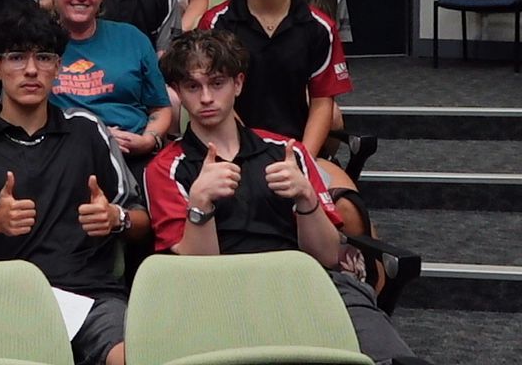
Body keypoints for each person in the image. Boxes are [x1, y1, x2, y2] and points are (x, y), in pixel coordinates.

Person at [143, 29, 415, 365]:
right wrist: (200, 204)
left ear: (238, 84)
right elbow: (198, 271)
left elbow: (329, 254)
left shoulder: (287, 152)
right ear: (178, 93)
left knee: (383, 344)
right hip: (222, 293)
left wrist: (306, 198)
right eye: (192, 87)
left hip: (299, 281)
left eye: (217, 83)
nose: (207, 98)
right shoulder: (166, 167)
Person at [0, 5, 148, 365]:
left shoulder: (87, 128)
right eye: (16, 57)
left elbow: (140, 219)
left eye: (43, 57)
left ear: (57, 68)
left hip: (89, 296)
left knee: (129, 357)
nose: (30, 69)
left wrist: (116, 218)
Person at [198, 0, 351, 157]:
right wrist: (253, 157)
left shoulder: (320, 27)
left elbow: (322, 103)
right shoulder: (215, 24)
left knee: (346, 196)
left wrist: (302, 160)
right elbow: (212, 99)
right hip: (234, 151)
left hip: (297, 151)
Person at [49, 0, 172, 176]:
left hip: (133, 156)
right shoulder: (39, 45)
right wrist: (98, 136)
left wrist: (148, 140)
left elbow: (160, 107)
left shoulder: (131, 38)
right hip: (63, 156)